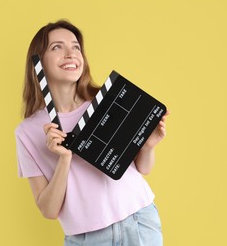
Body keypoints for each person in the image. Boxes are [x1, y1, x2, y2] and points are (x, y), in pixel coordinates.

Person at [15, 19, 169, 246]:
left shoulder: (110, 101)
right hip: (87, 239)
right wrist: (64, 159)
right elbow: (48, 210)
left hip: (139, 220)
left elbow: (143, 169)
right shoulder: (27, 132)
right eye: (57, 47)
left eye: (76, 47)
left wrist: (147, 146)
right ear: (38, 62)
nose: (70, 53)